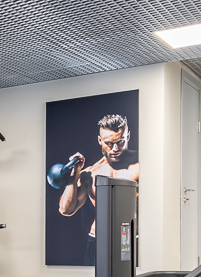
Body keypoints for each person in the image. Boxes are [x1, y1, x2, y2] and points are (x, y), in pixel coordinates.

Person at [57, 113, 140, 265]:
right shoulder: (90, 173)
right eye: (109, 143)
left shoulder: (141, 165)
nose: (115, 149)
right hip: (97, 239)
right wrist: (75, 174)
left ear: (128, 137)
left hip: (132, 239)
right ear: (99, 140)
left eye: (120, 142)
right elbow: (66, 210)